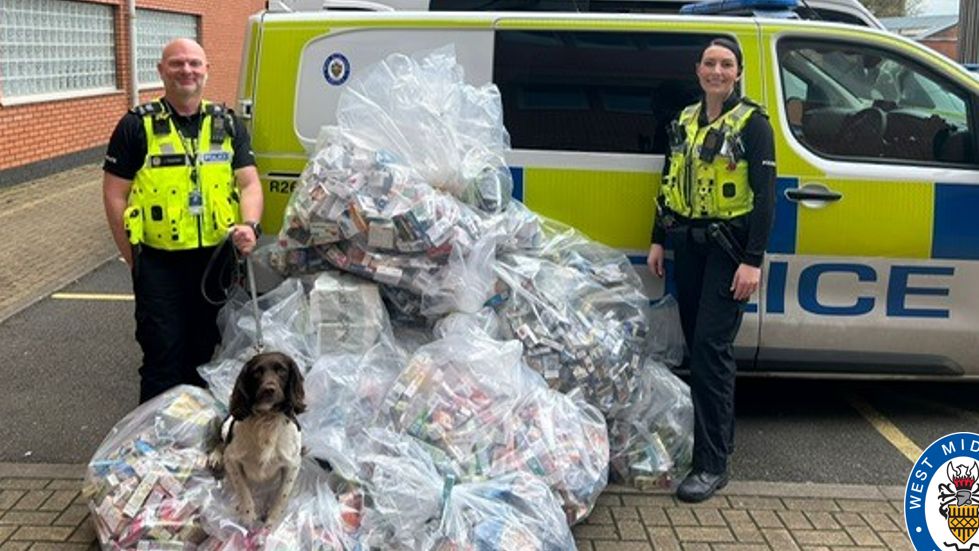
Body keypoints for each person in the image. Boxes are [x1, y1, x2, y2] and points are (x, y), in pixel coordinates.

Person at [646, 38, 775, 503]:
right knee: (698, 350)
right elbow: (668, 179)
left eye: (726, 64)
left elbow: (765, 198)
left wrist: (752, 261)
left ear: (738, 72)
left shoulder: (752, 124)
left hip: (728, 250)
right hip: (687, 246)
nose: (716, 71)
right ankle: (714, 449)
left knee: (710, 351)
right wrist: (659, 237)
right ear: (697, 69)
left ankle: (712, 465)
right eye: (709, 63)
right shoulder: (683, 119)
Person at [103, 38, 263, 403]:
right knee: (163, 355)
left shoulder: (228, 124)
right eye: (176, 64)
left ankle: (197, 436)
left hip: (215, 259)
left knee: (206, 353)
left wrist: (250, 226)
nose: (186, 71)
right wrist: (132, 256)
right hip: (159, 261)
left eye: (194, 63)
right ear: (161, 71)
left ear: (207, 70)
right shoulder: (135, 126)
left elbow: (249, 182)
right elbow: (114, 195)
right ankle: (156, 446)